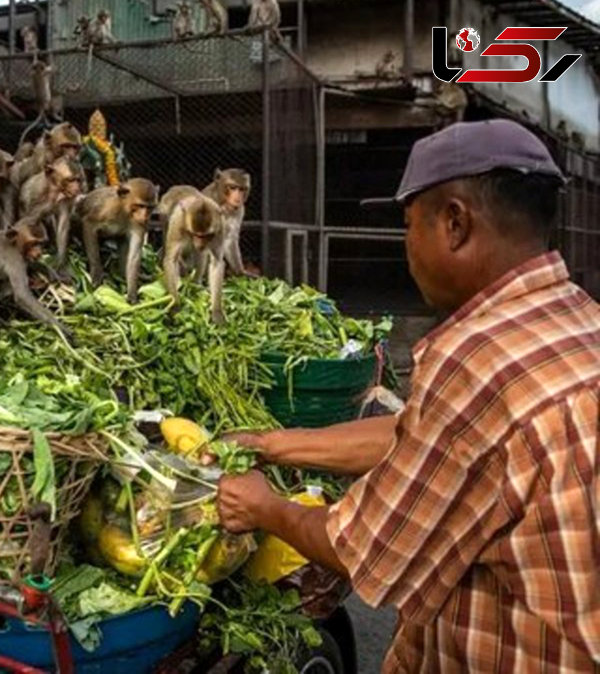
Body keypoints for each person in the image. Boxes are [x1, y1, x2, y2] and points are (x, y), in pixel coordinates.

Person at [216, 119, 600, 672]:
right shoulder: (572, 320)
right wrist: (274, 444)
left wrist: (265, 507)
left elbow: (358, 546)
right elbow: (425, 436)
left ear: (454, 223)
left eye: (408, 224)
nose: (407, 247)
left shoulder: (477, 359)